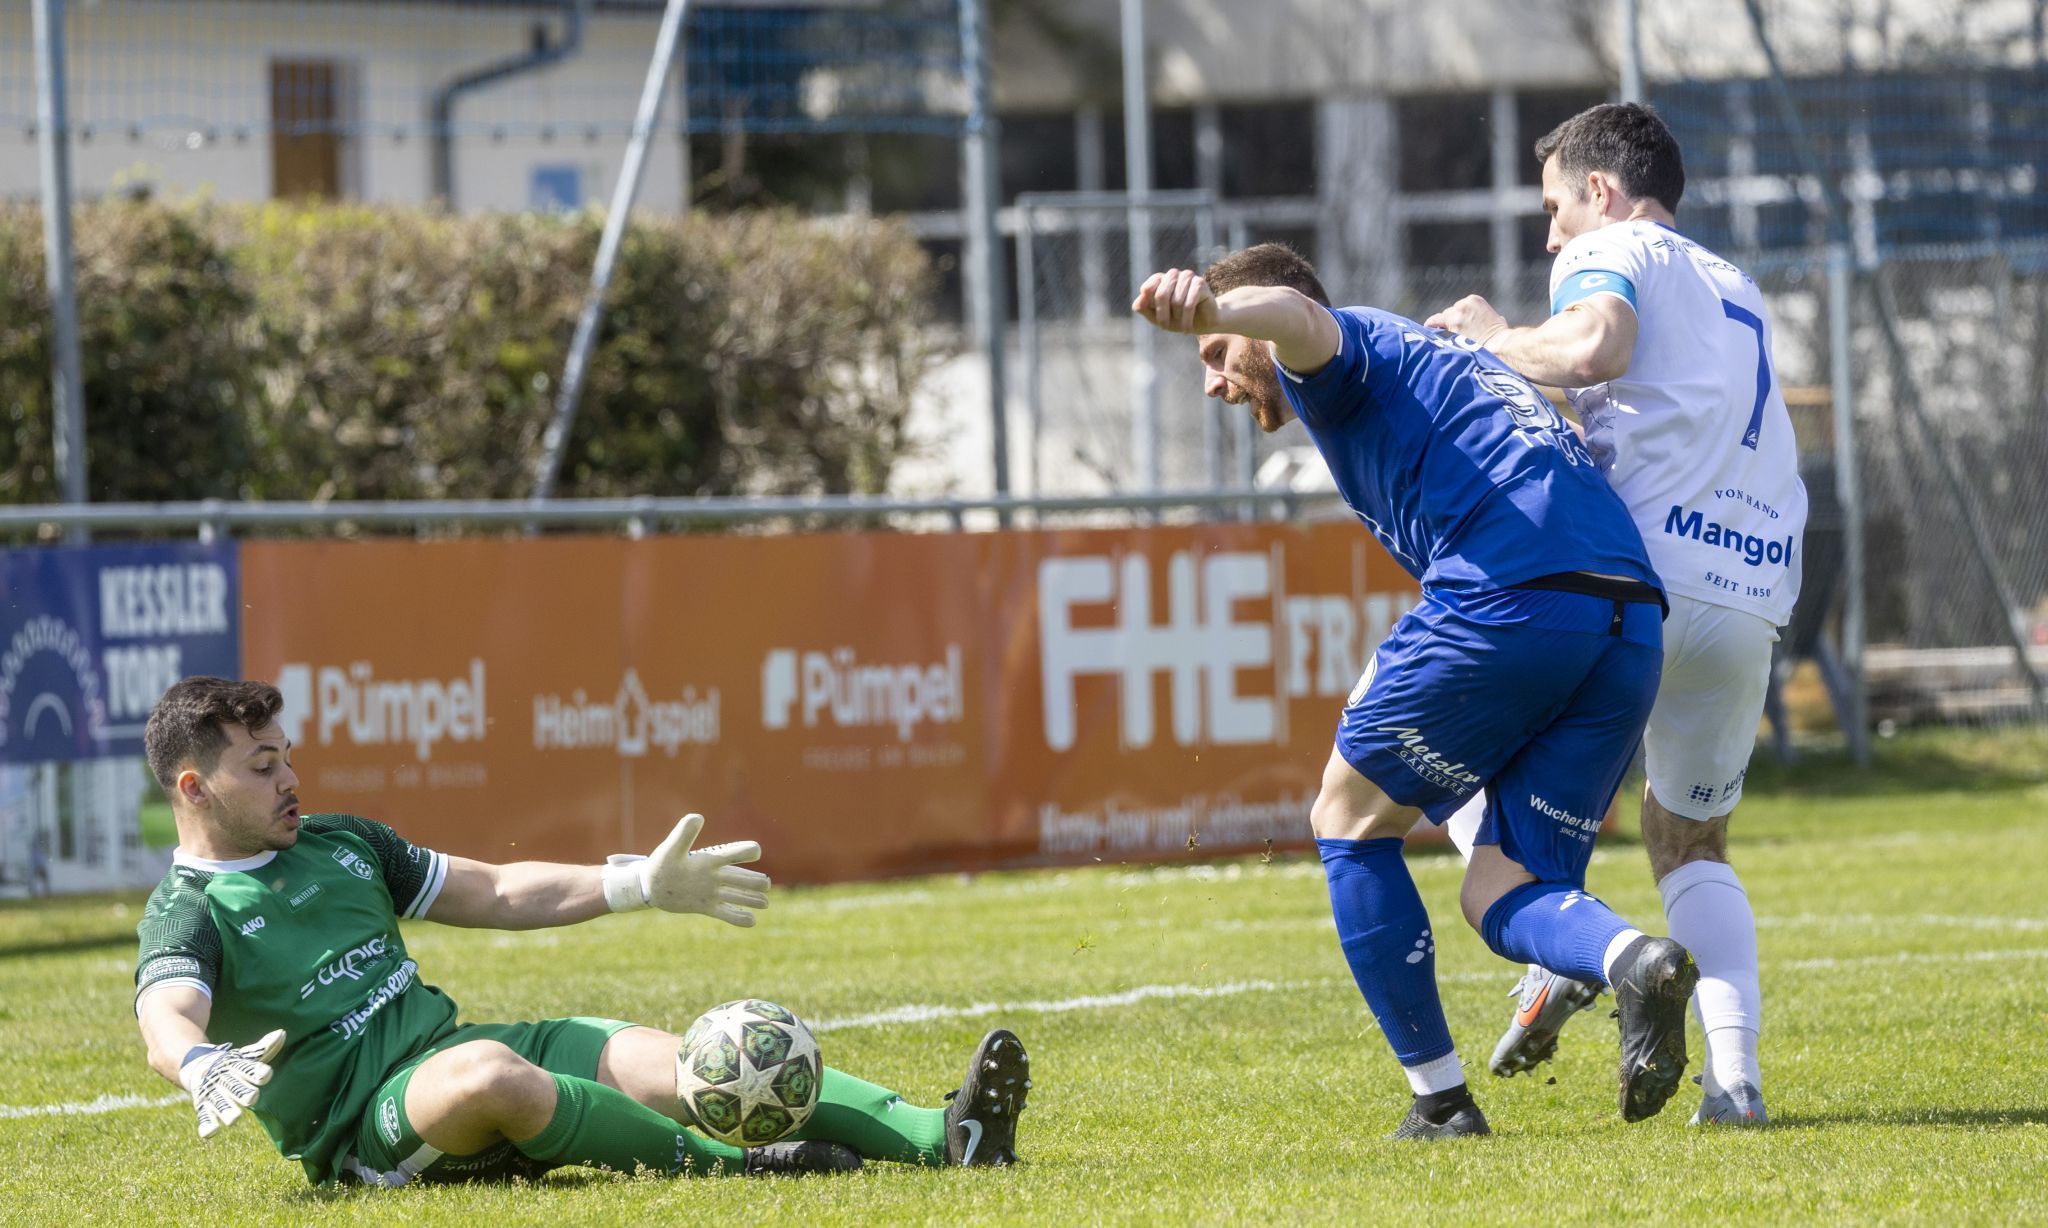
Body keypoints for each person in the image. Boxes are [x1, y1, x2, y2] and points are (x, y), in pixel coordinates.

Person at [1132, 244, 1695, 1138]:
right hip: (1629, 616)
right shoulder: (1442, 359)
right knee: (1502, 890)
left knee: (1347, 820)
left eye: (1217, 357)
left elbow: (1301, 318)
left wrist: (1217, 311)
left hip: (1513, 593)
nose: (1214, 380)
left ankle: (1440, 1103)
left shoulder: (1334, 351)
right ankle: (1635, 959)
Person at [133, 675, 1030, 1187]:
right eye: (263, 766)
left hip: (450, 1050)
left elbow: (495, 890)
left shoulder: (341, 843)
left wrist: (640, 883)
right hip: (371, 1129)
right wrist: (200, 1063)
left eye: (288, 757)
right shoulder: (190, 907)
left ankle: (946, 1135)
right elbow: (166, 1015)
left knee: (701, 1062)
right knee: (491, 1075)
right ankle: (737, 1166)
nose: (291, 779)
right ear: (195, 789)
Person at [1426, 102, 1805, 1127]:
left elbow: (1595, 344)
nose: (1552, 238)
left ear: (1600, 191)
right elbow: (1645, 406)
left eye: (1555, 208)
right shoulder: (1735, 283)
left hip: (1629, 586)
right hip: (1747, 588)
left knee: (1425, 742)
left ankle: (1571, 944)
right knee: (1690, 841)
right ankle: (1734, 1085)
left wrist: (1493, 340)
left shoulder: (1613, 248)